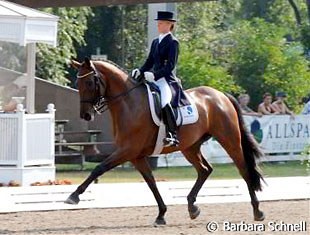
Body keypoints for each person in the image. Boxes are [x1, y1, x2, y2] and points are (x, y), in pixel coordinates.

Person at [131, 11, 180, 146]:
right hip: (152, 78)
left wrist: (155, 75)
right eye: (158, 23)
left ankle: (172, 135)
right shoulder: (155, 42)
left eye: (161, 23)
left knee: (164, 102)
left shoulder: (173, 42)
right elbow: (150, 61)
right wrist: (140, 71)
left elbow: (170, 66)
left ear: (170, 24)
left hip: (166, 80)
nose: (158, 25)